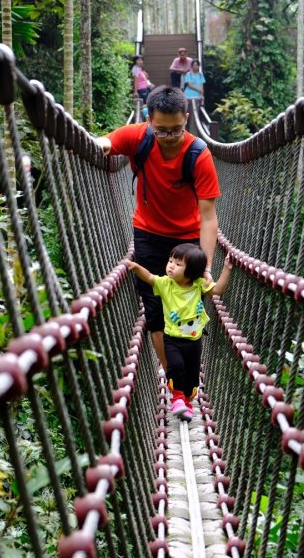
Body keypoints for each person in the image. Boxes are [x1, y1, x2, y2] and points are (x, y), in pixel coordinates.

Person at [96, 85, 220, 371]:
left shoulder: (199, 155)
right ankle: (175, 381)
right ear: (148, 120)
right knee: (154, 314)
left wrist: (208, 266)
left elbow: (209, 216)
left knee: (185, 310)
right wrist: (96, 144)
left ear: (186, 118)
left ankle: (185, 373)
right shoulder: (138, 137)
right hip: (148, 235)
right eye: (161, 130)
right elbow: (105, 142)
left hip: (187, 240)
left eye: (176, 130)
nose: (169, 138)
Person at [126, 245, 232, 421]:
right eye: (170, 261)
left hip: (194, 341)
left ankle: (187, 402)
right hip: (172, 339)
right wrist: (135, 267)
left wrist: (227, 269)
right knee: (175, 366)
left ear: (192, 272)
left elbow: (218, 290)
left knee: (192, 379)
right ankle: (177, 398)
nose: (171, 266)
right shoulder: (166, 284)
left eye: (178, 264)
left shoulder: (199, 285)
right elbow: (150, 277)